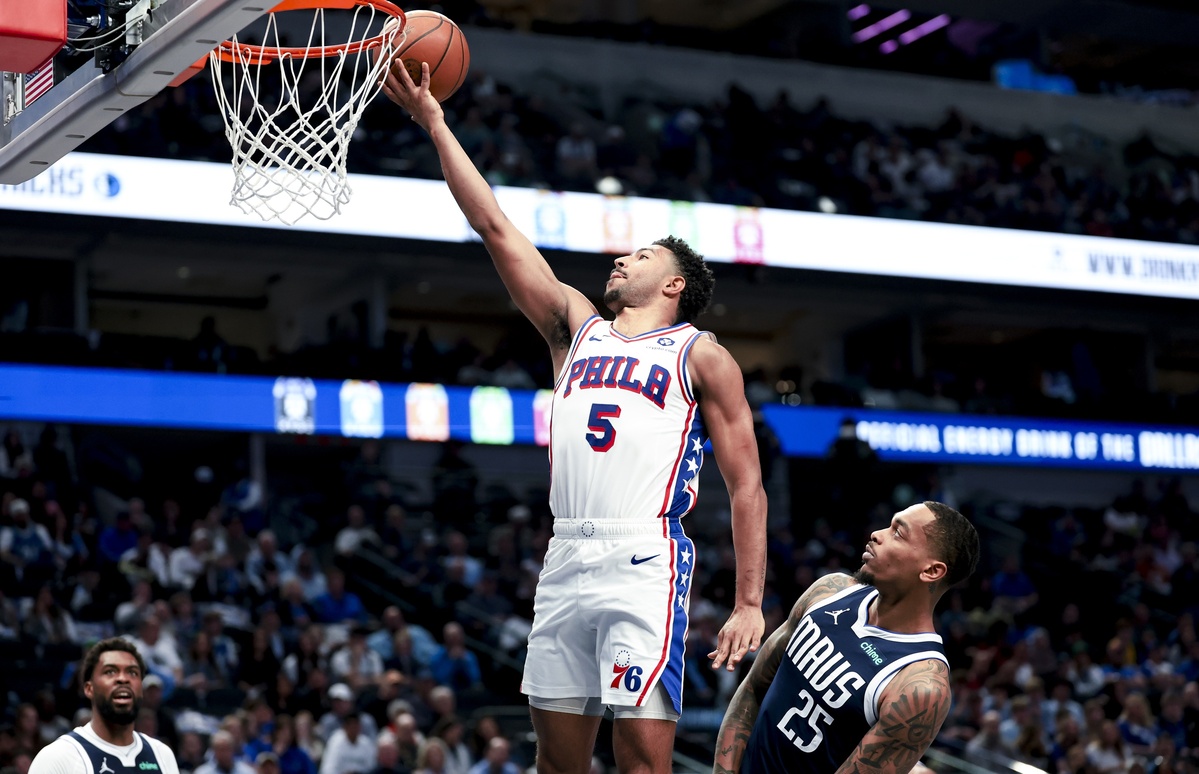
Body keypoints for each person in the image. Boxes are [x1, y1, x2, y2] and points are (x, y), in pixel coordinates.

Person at [383, 59, 768, 774]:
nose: (622, 260)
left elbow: (746, 483)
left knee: (641, 763)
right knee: (555, 766)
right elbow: (494, 226)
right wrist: (436, 124)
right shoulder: (574, 329)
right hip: (564, 556)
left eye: (641, 255)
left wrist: (748, 601)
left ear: (674, 284)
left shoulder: (701, 354)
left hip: (644, 557)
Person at [714, 501, 980, 774]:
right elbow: (752, 691)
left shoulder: (921, 684)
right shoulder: (830, 591)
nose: (877, 534)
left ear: (931, 571)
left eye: (898, 533)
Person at [28, 638, 181, 774]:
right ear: (89, 689)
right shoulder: (58, 757)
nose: (123, 679)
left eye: (132, 673)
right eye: (110, 672)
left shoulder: (162, 754)